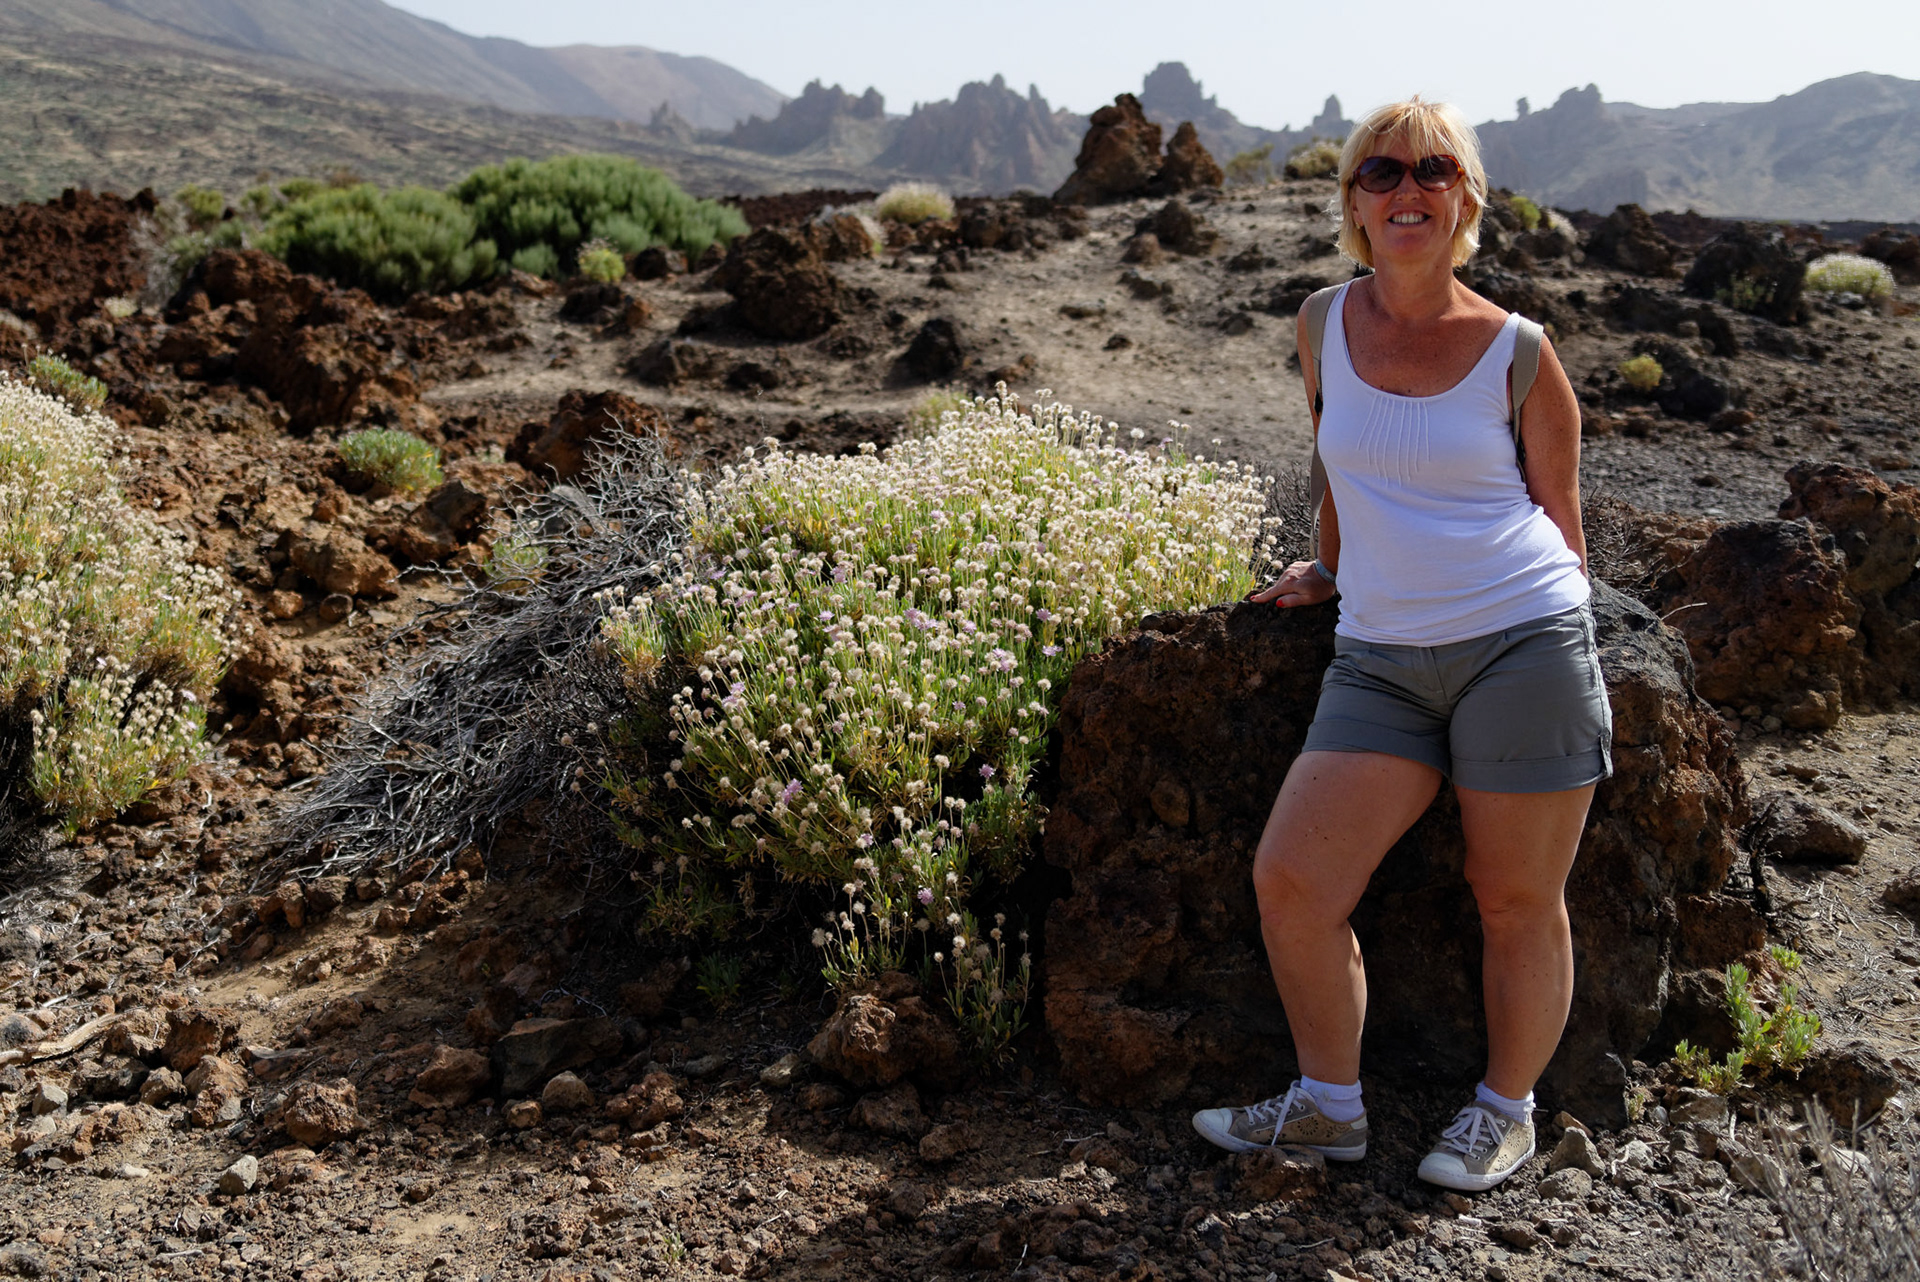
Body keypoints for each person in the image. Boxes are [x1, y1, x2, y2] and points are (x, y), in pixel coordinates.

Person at [1189, 97, 1609, 1192]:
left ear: (1465, 199)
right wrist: (1328, 567)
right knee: (1293, 879)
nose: (1407, 188)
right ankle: (1329, 1106)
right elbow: (1338, 464)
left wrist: (1555, 639)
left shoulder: (1520, 351)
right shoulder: (1321, 321)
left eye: (1433, 170)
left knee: (1514, 897)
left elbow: (1562, 522)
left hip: (1519, 642)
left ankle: (1504, 1112)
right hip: (1379, 656)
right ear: (1354, 202)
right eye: (1381, 171)